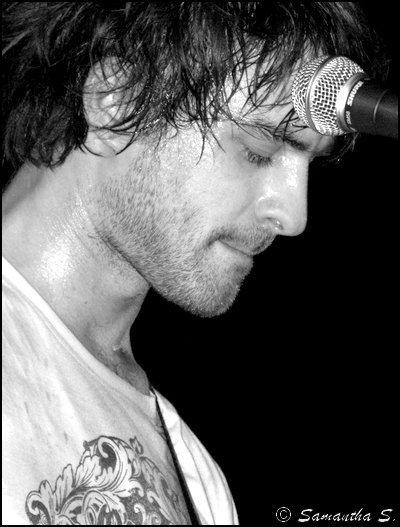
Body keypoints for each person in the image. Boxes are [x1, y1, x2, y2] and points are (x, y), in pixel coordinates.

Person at [2, 2, 387, 525]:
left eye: (307, 164)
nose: (293, 216)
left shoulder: (199, 480)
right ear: (114, 100)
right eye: (258, 150)